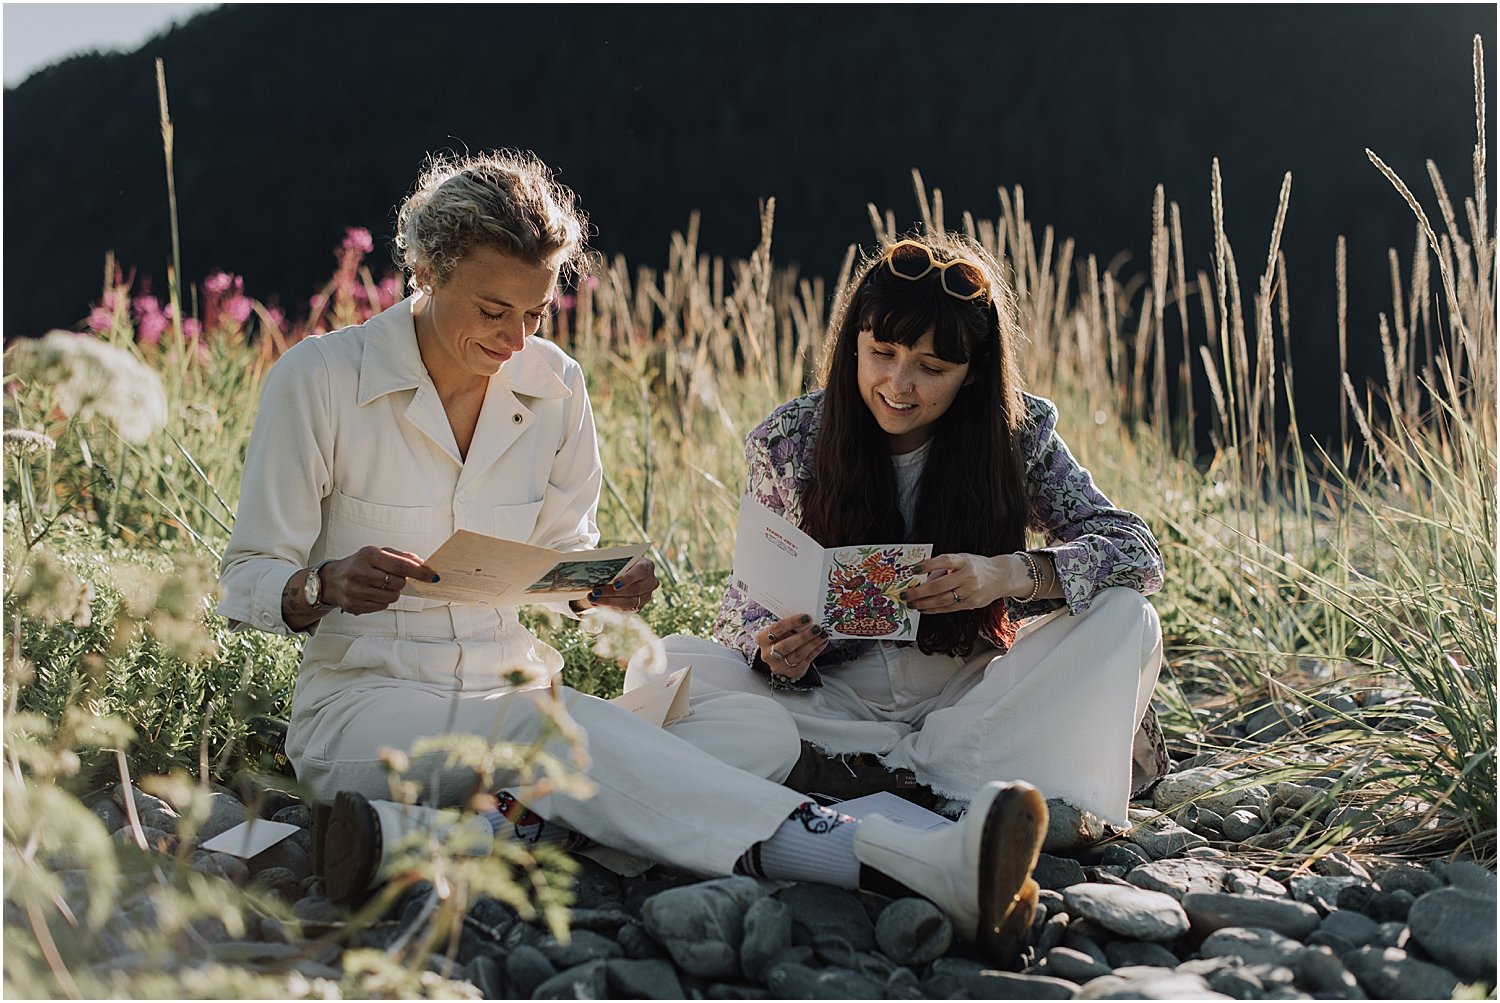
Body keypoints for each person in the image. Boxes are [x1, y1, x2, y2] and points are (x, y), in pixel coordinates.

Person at [216, 153, 1047, 967]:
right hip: (367, 709)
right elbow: (245, 575)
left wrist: (601, 587)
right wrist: (318, 585)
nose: (515, 339)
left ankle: (446, 833)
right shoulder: (321, 379)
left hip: (519, 692)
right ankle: (906, 861)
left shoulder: (556, 386)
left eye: (536, 313)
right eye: (493, 310)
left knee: (751, 727)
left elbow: (558, 566)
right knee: (561, 734)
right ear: (426, 271)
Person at [649, 232, 1169, 828]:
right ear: (854, 345)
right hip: (834, 699)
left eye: (931, 368)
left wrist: (1008, 574)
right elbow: (742, 608)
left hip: (975, 690)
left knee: (1127, 617)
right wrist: (773, 655)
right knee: (673, 665)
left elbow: (1137, 552)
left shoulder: (1017, 436)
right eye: (882, 354)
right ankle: (956, 785)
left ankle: (896, 777)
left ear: (971, 374)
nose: (898, 386)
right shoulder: (790, 441)